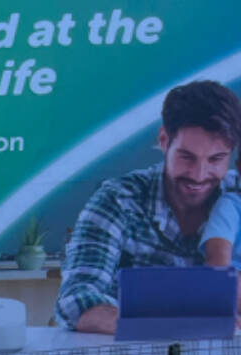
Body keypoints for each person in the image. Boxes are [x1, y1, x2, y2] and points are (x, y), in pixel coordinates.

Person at [57, 80, 241, 331]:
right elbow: (75, 300)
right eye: (186, 157)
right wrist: (167, 324)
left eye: (216, 159)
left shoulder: (237, 198)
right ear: (164, 140)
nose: (199, 175)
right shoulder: (118, 200)